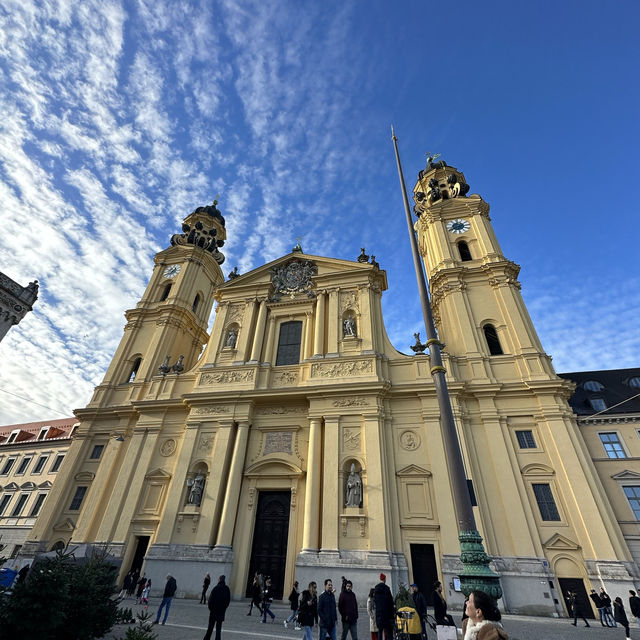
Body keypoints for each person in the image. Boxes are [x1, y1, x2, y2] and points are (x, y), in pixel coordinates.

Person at [203, 575, 231, 640]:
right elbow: (228, 601)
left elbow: (210, 600)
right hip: (221, 612)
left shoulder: (215, 588)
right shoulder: (227, 589)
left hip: (213, 612)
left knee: (210, 628)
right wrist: (224, 608)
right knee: (218, 629)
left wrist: (211, 609)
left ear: (219, 580)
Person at [373, 573, 394, 640]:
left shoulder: (376, 589)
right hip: (386, 614)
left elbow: (375, 601)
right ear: (384, 579)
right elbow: (390, 602)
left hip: (379, 614)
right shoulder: (387, 589)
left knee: (380, 632)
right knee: (388, 632)